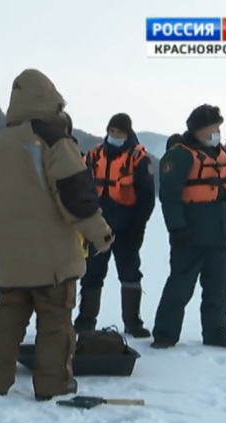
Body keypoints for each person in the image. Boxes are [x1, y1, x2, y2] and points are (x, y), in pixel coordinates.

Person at [0, 69, 114, 401]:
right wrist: (101, 235)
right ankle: (53, 385)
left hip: (9, 259)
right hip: (52, 260)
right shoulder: (53, 140)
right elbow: (76, 197)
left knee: (8, 317)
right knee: (55, 323)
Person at [151, 104, 226, 349]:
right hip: (190, 233)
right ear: (197, 130)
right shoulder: (180, 155)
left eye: (218, 127)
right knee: (180, 286)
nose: (216, 132)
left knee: (219, 288)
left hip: (220, 233)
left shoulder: (224, 156)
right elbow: (170, 195)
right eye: (211, 128)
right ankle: (165, 334)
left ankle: (216, 333)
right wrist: (177, 228)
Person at [74, 114, 155, 338]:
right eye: (112, 131)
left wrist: (139, 227)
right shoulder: (94, 154)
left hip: (127, 227)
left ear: (128, 133)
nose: (115, 135)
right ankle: (85, 321)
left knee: (130, 273)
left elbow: (147, 197)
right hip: (98, 225)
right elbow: (82, 186)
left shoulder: (138, 157)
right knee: (92, 273)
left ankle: (133, 322)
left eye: (120, 132)